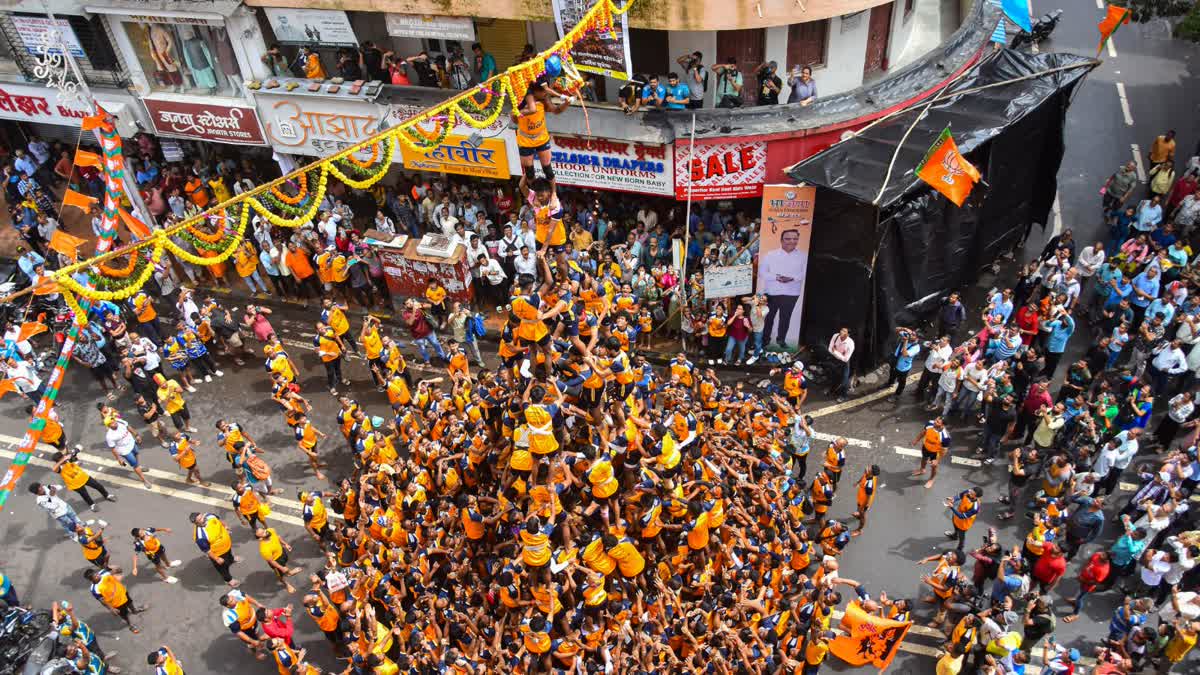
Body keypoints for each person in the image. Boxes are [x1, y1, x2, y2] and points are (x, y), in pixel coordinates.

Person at [759, 228, 806, 347]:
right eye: (788, 238)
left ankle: (781, 340)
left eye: (795, 239)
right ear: (781, 240)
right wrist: (777, 277)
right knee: (768, 317)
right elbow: (762, 272)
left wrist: (792, 278)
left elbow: (804, 272)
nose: (792, 241)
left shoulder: (803, 256)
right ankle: (765, 340)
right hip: (772, 292)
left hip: (792, 293)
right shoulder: (771, 255)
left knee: (785, 318)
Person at [53, 447, 116, 511]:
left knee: (98, 486)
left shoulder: (69, 459)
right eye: (61, 458)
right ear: (58, 460)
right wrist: (63, 459)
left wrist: (73, 454)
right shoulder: (59, 468)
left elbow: (77, 459)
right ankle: (92, 505)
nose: (64, 458)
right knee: (85, 495)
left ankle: (107, 495)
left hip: (84, 477)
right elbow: (54, 469)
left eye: (63, 457)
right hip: (76, 485)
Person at [85, 567, 143, 633]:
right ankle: (130, 624)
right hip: (116, 603)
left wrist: (115, 570)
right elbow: (102, 600)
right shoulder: (94, 589)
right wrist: (111, 608)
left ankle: (134, 611)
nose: (98, 576)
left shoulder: (104, 572)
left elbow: (119, 570)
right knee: (124, 614)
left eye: (96, 574)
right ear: (91, 580)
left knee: (130, 602)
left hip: (123, 592)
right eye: (95, 576)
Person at [191, 511, 240, 587]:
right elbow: (207, 550)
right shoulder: (200, 536)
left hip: (227, 545)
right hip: (218, 553)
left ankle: (231, 559)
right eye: (200, 519)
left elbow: (218, 521)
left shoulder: (210, 516)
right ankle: (229, 580)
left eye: (202, 516)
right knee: (222, 567)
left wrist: (225, 526)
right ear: (196, 523)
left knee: (229, 554)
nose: (204, 518)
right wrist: (217, 559)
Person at [912, 417, 950, 489]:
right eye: (936, 420)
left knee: (933, 467)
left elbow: (944, 450)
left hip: (935, 452)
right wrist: (916, 440)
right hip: (926, 447)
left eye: (938, 422)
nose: (935, 422)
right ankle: (922, 470)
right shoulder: (930, 423)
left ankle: (931, 479)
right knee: (924, 458)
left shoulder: (945, 437)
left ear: (942, 425)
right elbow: (923, 432)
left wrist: (937, 460)